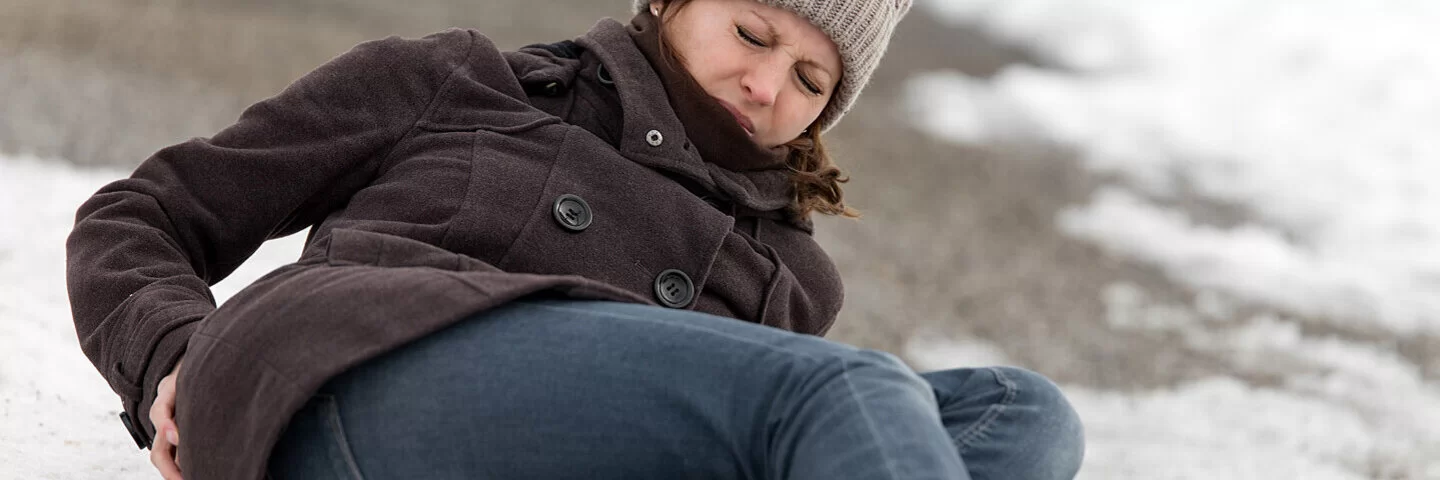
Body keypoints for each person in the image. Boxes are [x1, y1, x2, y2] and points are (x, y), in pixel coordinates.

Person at [65, 0, 1085, 478]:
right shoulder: (470, 81)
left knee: (1021, 414)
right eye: (754, 33)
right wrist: (172, 357)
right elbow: (141, 213)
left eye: (813, 83)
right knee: (849, 392)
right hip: (347, 379)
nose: (768, 88)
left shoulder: (788, 279)